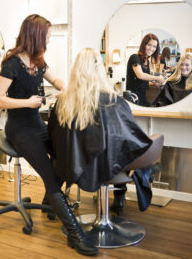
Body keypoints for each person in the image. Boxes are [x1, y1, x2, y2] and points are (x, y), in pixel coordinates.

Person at [0, 14, 98, 256]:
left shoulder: (38, 61)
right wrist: (26, 102)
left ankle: (50, 200)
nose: (48, 40)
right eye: (47, 36)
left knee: (64, 157)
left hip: (37, 123)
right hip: (19, 128)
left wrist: (64, 88)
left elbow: (57, 79)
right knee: (51, 177)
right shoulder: (12, 63)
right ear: (36, 36)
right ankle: (74, 234)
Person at [48, 48, 153, 216]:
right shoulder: (114, 101)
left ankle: (52, 198)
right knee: (123, 149)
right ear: (100, 69)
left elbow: (54, 138)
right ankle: (119, 197)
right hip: (110, 165)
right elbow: (128, 137)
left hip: (75, 164)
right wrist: (138, 161)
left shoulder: (63, 102)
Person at [126, 33, 165, 106]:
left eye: (154, 46)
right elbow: (140, 75)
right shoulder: (134, 57)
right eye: (149, 45)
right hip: (134, 98)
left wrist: (152, 83)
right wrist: (158, 78)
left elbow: (141, 81)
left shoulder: (147, 61)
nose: (151, 48)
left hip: (142, 97)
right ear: (144, 45)